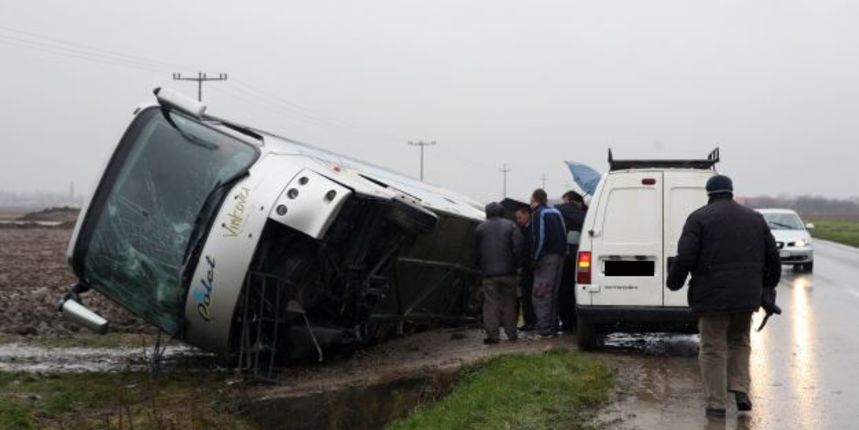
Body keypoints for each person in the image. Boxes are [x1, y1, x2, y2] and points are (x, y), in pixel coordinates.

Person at [667, 175, 781, 419]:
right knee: (740, 341)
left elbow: (685, 256)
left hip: (712, 297)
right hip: (746, 296)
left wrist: (674, 281)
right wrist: (767, 286)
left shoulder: (698, 218)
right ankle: (740, 390)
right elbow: (773, 258)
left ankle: (716, 404)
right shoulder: (754, 218)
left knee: (712, 348)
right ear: (731, 191)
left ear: (709, 193)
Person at [475, 202, 524, 344]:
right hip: (509, 273)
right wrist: (517, 265)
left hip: (488, 275)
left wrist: (480, 269)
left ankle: (493, 336)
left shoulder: (480, 228)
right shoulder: (512, 225)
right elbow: (518, 246)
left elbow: (476, 253)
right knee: (509, 302)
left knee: (491, 304)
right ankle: (511, 334)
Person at [529, 189, 567, 338]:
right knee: (553, 294)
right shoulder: (556, 212)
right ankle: (553, 327)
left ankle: (544, 330)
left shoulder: (539, 213)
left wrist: (536, 257)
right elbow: (564, 232)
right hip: (560, 257)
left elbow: (540, 237)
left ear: (535, 199)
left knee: (541, 293)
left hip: (546, 258)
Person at [555, 190, 587, 331]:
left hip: (562, 256)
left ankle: (566, 322)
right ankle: (573, 321)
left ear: (567, 199)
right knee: (574, 289)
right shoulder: (580, 213)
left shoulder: (557, 210)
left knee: (563, 290)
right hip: (576, 256)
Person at [514, 206, 536, 331]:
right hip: (527, 266)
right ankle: (529, 321)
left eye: (520, 217)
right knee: (526, 295)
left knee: (529, 295)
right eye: (517, 218)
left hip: (530, 266)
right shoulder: (524, 229)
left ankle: (531, 321)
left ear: (527, 214)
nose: (518, 220)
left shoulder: (531, 229)